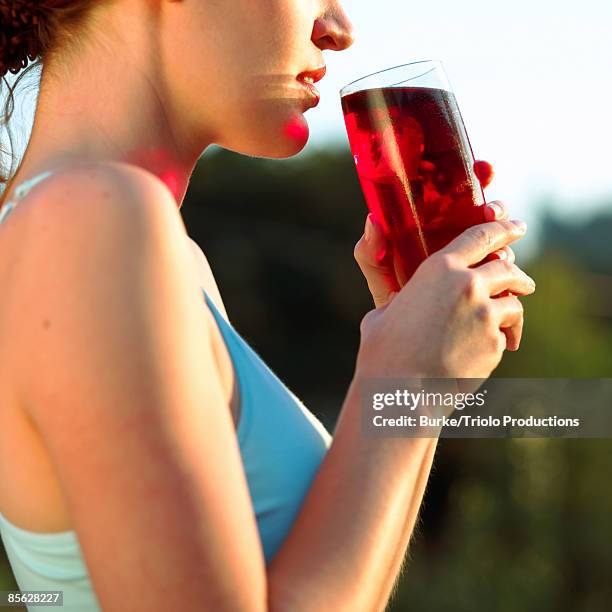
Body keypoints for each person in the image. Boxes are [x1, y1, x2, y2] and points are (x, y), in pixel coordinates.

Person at [0, 1, 536, 610]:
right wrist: (406, 380)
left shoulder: (131, 241)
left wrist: (418, 365)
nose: (339, 29)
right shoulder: (91, 221)